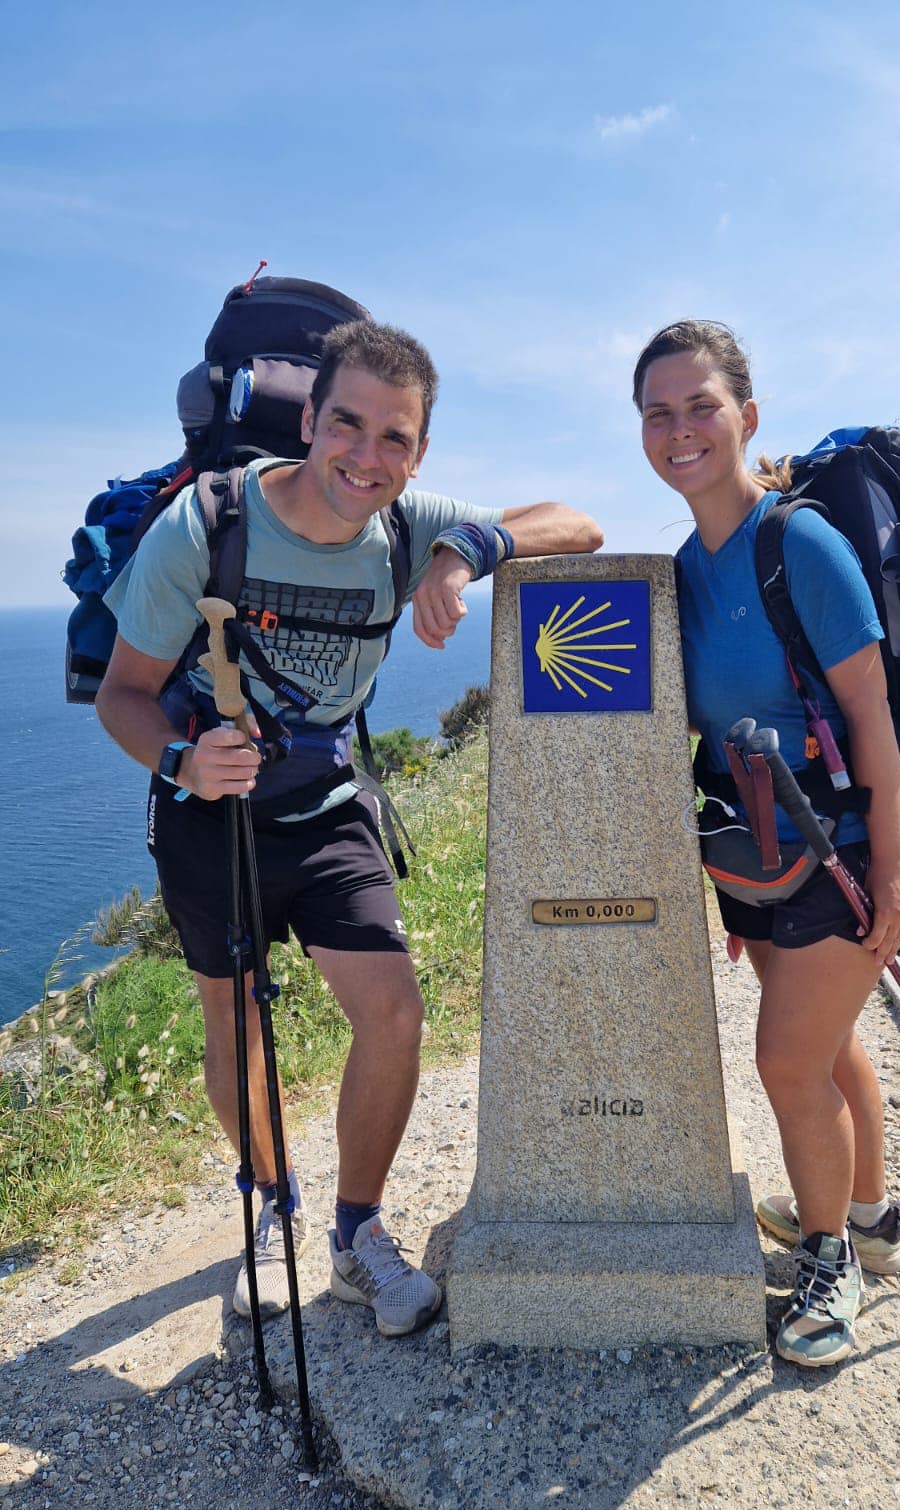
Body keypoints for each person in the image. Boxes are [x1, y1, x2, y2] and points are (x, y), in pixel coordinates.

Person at [97, 317, 603, 1338]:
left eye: (395, 438)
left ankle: (354, 1233)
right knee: (235, 1021)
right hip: (210, 813)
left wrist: (462, 557)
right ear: (309, 422)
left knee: (394, 1012)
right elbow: (123, 694)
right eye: (347, 425)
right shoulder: (208, 526)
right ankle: (271, 1200)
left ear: (420, 452)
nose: (367, 456)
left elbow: (577, 522)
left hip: (327, 805)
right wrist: (183, 760)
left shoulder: (409, 526)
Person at [632, 320, 900, 1367]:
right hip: (752, 857)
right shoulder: (680, 570)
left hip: (836, 853)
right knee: (828, 1048)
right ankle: (870, 1219)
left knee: (786, 1062)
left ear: (746, 417)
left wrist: (896, 869)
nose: (680, 429)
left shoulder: (801, 545)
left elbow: (872, 716)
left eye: (700, 406)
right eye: (658, 412)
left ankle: (830, 1262)